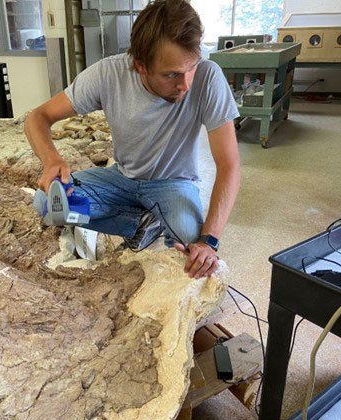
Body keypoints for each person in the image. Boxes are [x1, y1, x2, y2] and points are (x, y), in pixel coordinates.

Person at [25, 0, 240, 279]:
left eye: (191, 67)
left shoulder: (209, 78)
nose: (185, 84)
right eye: (171, 74)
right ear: (140, 66)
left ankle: (154, 221)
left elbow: (229, 164)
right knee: (49, 206)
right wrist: (51, 160)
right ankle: (140, 224)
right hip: (122, 178)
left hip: (174, 184)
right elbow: (37, 117)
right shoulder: (108, 74)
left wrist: (209, 240)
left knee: (190, 248)